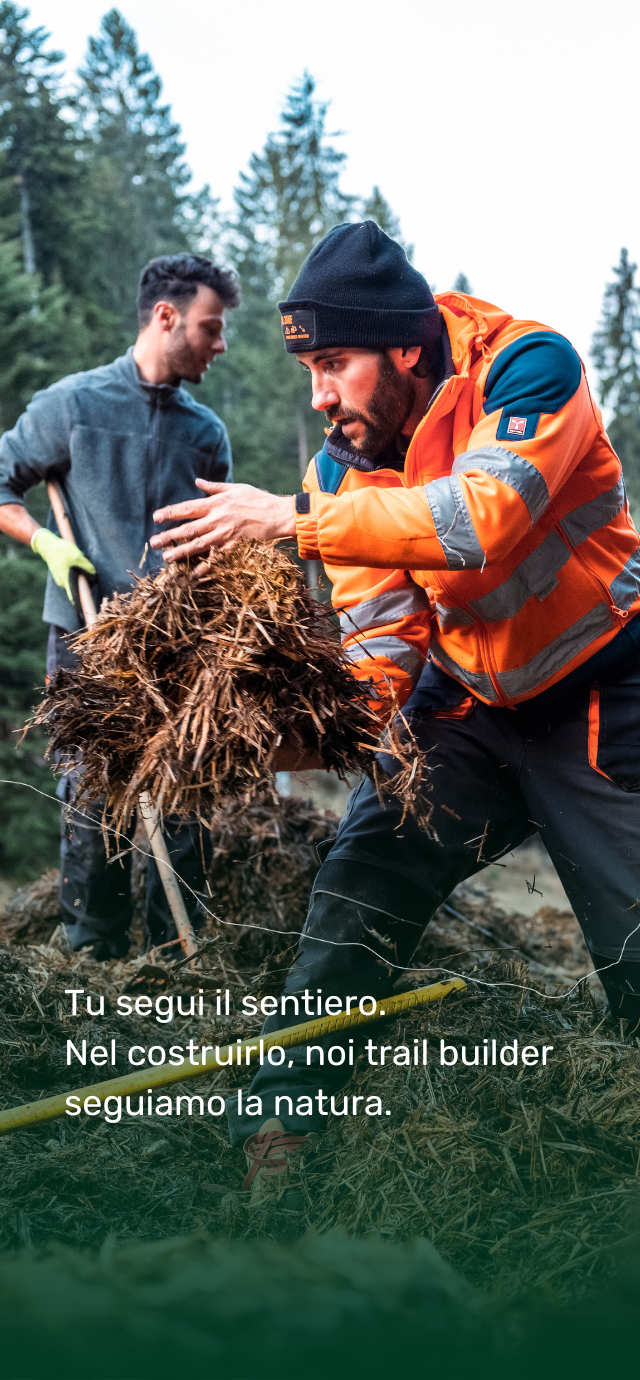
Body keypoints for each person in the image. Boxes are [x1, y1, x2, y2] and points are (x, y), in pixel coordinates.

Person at [149, 220, 640, 1185]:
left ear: (405, 346)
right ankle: (284, 1123)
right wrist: (259, 743)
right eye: (309, 372)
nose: (322, 396)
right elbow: (379, 656)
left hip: (602, 690)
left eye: (335, 362)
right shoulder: (338, 467)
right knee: (362, 871)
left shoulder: (530, 368)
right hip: (465, 701)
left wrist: (293, 521)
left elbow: (478, 521)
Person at [0, 252, 239, 960]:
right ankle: (94, 953)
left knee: (186, 790)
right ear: (166, 318)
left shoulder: (206, 435)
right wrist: (44, 542)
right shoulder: (72, 406)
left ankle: (174, 956)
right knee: (91, 793)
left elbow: (214, 545)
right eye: (210, 327)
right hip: (85, 633)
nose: (220, 344)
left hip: (176, 643)